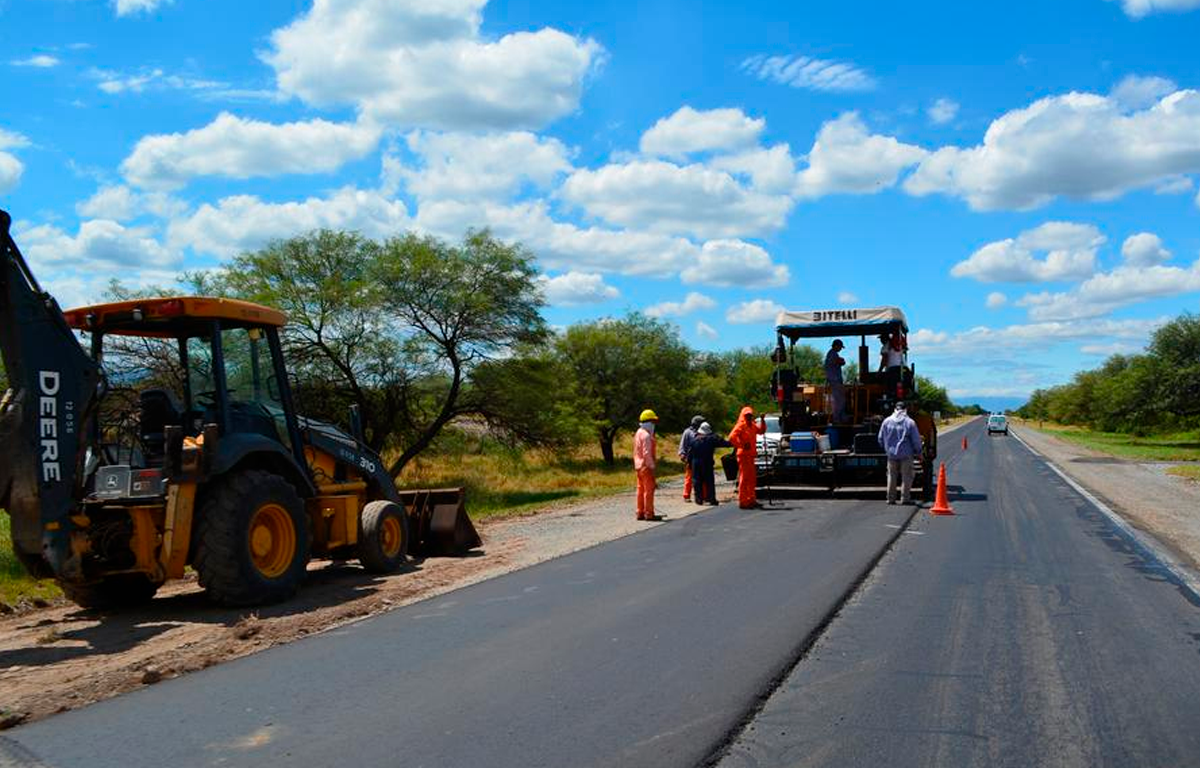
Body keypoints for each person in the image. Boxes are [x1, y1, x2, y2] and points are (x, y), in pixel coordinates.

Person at [877, 401, 923, 505]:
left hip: (891, 455)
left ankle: (890, 499)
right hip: (906, 455)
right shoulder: (910, 422)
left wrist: (886, 448)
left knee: (891, 476)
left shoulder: (886, 421)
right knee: (906, 476)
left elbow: (880, 438)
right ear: (905, 409)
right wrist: (919, 452)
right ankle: (905, 498)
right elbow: (916, 440)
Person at [727, 405, 767, 509]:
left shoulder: (753, 425)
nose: (749, 417)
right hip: (743, 456)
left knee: (752, 479)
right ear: (743, 416)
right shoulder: (741, 426)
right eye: (747, 415)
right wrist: (741, 445)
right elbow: (731, 437)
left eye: (750, 415)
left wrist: (763, 420)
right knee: (744, 479)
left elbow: (762, 431)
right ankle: (743, 501)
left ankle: (751, 499)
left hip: (750, 456)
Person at [688, 422, 731, 505]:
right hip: (707, 463)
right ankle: (711, 499)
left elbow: (690, 454)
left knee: (697, 482)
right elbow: (723, 443)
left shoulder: (693, 440)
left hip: (695, 463)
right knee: (709, 481)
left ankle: (699, 499)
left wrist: (690, 464)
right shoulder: (711, 439)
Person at [634, 408, 660, 521]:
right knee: (649, 491)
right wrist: (652, 466)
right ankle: (649, 513)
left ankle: (640, 512)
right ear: (648, 422)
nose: (654, 424)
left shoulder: (638, 433)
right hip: (646, 466)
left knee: (640, 490)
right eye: (653, 422)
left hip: (638, 466)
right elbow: (646, 453)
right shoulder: (646, 436)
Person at [678, 415, 705, 501]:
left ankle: (703, 495)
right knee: (689, 478)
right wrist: (682, 454)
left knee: (703, 478)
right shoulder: (688, 432)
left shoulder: (703, 432)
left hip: (702, 458)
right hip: (691, 458)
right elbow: (683, 444)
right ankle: (686, 495)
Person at [824, 339, 847, 422]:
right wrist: (841, 360)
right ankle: (838, 419)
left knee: (839, 399)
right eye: (840, 347)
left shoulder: (832, 354)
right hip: (835, 380)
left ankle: (840, 418)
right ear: (836, 346)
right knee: (840, 400)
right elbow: (840, 361)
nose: (840, 349)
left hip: (834, 380)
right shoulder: (832, 354)